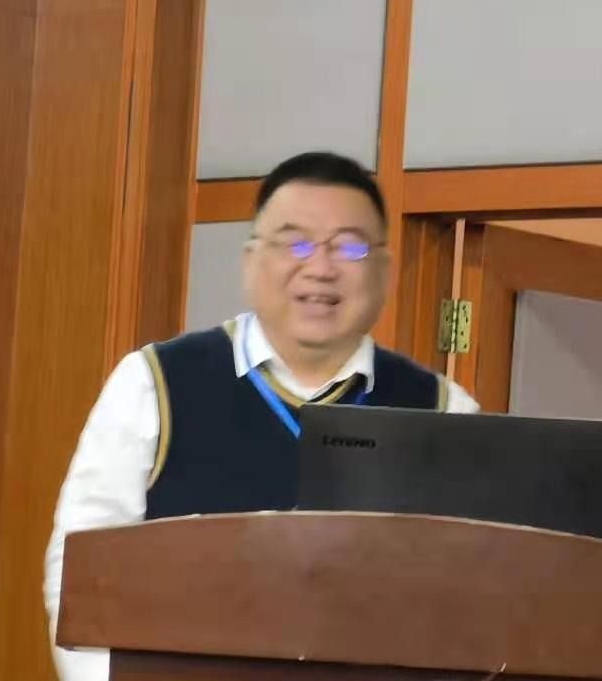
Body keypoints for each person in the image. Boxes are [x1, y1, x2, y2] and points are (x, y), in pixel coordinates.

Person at [43, 151, 477, 681]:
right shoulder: (155, 384)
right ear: (250, 261)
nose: (320, 267)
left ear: (384, 271)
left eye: (349, 246)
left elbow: (476, 594)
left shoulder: (444, 410)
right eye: (295, 243)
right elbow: (80, 571)